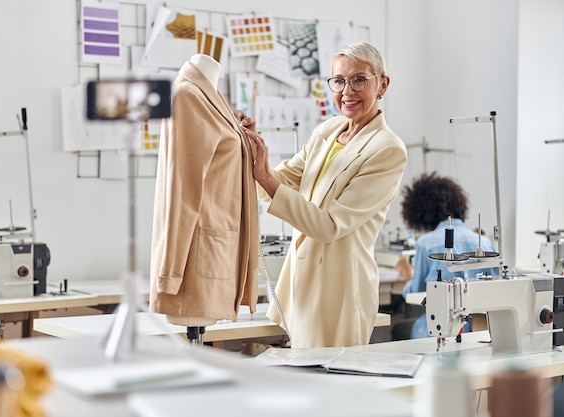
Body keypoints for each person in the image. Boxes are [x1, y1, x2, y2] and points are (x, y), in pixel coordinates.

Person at [238, 41, 408, 348]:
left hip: (339, 290)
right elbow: (280, 181)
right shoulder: (327, 132)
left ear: (382, 84)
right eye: (339, 81)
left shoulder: (388, 149)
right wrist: (250, 149)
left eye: (359, 80)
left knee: (331, 386)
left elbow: (328, 225)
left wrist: (265, 177)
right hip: (299, 286)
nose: (347, 91)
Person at [150, 54, 259, 330]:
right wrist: (169, 274)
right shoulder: (187, 96)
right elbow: (182, 188)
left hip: (218, 253)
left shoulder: (210, 94)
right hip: (193, 265)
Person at [397, 171, 500, 339]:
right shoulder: (484, 243)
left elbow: (416, 293)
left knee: (402, 329)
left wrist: (407, 274)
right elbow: (494, 289)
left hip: (442, 326)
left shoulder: (426, 243)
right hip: (480, 329)